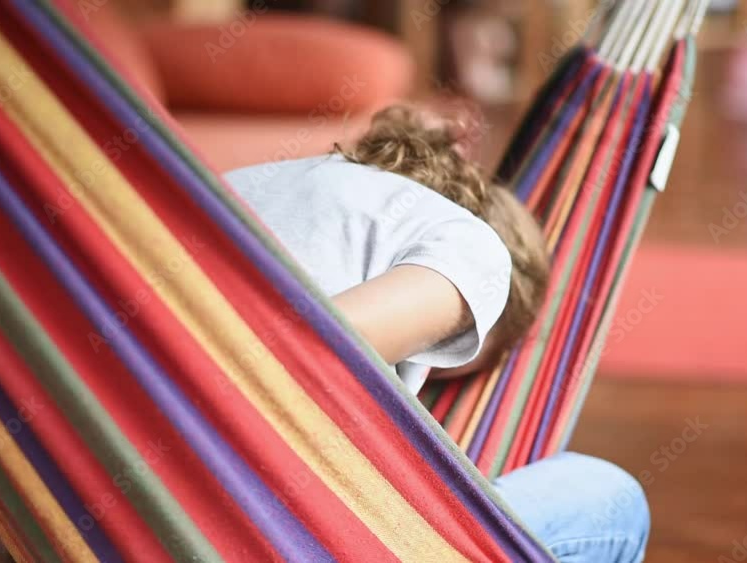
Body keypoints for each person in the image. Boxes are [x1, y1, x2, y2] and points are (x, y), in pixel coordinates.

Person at [223, 105, 650, 562]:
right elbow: (300, 353)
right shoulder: (474, 247)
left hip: (182, 507)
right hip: (282, 531)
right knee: (609, 498)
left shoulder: (239, 184)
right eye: (446, 355)